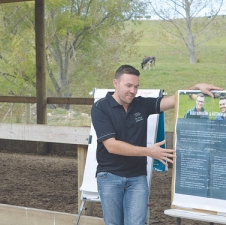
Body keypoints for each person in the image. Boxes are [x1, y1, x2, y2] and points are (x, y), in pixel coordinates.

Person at [91, 64, 222, 225]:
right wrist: (149, 151)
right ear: (116, 83)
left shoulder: (141, 104)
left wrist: (195, 87)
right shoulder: (100, 108)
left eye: (136, 86)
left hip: (137, 178)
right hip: (110, 176)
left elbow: (173, 100)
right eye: (129, 86)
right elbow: (111, 145)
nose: (133, 91)